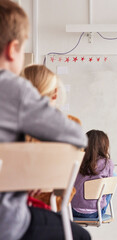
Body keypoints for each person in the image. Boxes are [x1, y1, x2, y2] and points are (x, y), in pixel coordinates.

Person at [0, 1, 90, 239]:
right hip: (7, 223)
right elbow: (78, 137)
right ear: (12, 49)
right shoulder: (12, 89)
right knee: (81, 236)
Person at [21, 64, 80, 210]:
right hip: (51, 206)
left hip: (9, 214)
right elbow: (66, 188)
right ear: (55, 93)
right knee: (81, 234)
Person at [72, 130, 114, 218]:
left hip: (72, 210)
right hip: (95, 212)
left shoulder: (76, 159)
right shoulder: (107, 163)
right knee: (112, 179)